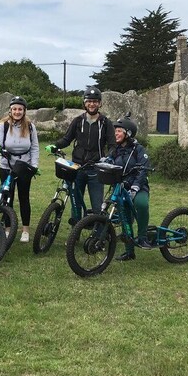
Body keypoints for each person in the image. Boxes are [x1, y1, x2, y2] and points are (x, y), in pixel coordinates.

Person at [45, 85, 115, 219]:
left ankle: (98, 236)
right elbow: (67, 139)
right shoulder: (77, 121)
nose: (92, 104)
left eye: (95, 101)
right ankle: (74, 234)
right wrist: (54, 145)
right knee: (76, 203)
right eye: (89, 101)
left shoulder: (106, 123)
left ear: (100, 103)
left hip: (96, 168)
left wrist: (108, 157)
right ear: (84, 103)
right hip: (77, 168)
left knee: (97, 205)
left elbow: (112, 145)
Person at [0, 96, 39, 242]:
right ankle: (7, 228)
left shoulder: (30, 126)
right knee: (7, 198)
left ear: (24, 111)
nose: (17, 112)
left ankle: (25, 230)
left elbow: (35, 147)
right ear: (10, 110)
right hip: (6, 166)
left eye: (20, 109)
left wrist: (34, 165)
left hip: (24, 166)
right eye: (15, 109)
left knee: (24, 197)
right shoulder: (3, 126)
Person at [105, 115, 152, 261]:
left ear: (128, 133)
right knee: (124, 216)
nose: (116, 134)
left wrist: (136, 186)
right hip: (121, 187)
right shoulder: (116, 149)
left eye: (119, 131)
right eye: (115, 131)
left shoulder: (138, 149)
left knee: (141, 204)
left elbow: (144, 169)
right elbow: (109, 161)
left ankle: (143, 237)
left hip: (139, 187)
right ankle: (129, 251)